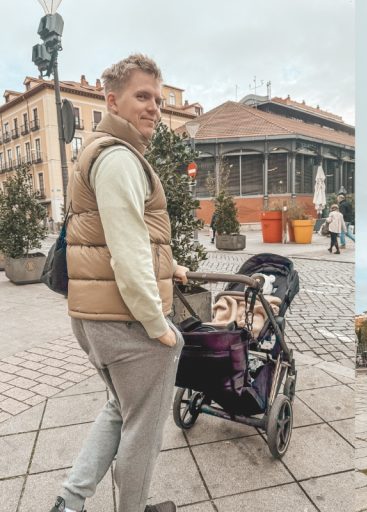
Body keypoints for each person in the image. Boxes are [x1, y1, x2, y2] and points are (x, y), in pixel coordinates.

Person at [50, 55, 186, 512]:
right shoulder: (120, 160)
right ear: (113, 100)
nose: (154, 108)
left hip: (94, 315)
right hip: (125, 321)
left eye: (158, 100)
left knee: (119, 407)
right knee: (143, 427)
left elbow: (116, 234)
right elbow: (128, 254)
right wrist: (159, 325)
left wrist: (173, 267)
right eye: (142, 97)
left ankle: (69, 501)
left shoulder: (99, 150)